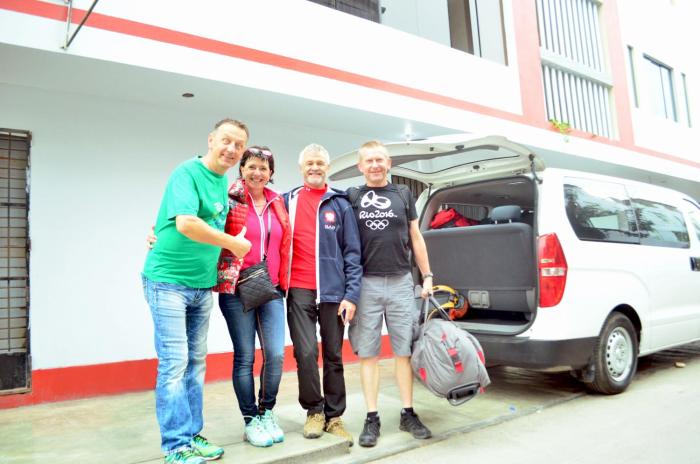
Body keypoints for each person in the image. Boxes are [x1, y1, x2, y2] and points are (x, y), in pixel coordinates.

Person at [142, 119, 251, 464]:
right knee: (175, 363)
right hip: (168, 281)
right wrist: (233, 243)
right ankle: (176, 447)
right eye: (226, 140)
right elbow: (187, 223)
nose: (231, 149)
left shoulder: (222, 184)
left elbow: (198, 222)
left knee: (195, 364)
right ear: (211, 139)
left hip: (202, 286)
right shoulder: (187, 172)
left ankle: (191, 435)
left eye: (238, 145)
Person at [347, 140, 434, 448]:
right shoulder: (352, 196)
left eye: (380, 160)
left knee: (403, 351)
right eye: (369, 160)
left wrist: (427, 276)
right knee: (368, 353)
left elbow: (416, 236)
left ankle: (407, 413)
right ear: (360, 166)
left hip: (400, 281)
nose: (375, 165)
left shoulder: (403, 194)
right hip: (366, 284)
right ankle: (372, 418)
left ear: (389, 163)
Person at [282, 143, 362, 446]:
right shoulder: (286, 201)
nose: (314, 168)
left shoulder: (340, 203)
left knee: (333, 355)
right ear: (301, 168)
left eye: (320, 163)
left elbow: (352, 252)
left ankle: (334, 417)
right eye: (309, 163)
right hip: (298, 289)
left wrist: (351, 295)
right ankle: (314, 411)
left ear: (327, 167)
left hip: (333, 292)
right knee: (305, 353)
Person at [214, 146, 292, 447]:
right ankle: (250, 420)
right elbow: (203, 225)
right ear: (242, 169)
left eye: (263, 168)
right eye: (252, 167)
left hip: (270, 288)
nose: (257, 173)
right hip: (237, 287)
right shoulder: (228, 199)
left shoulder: (277, 201)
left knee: (275, 354)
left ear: (271, 173)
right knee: (245, 356)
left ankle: (266, 411)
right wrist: (157, 233)